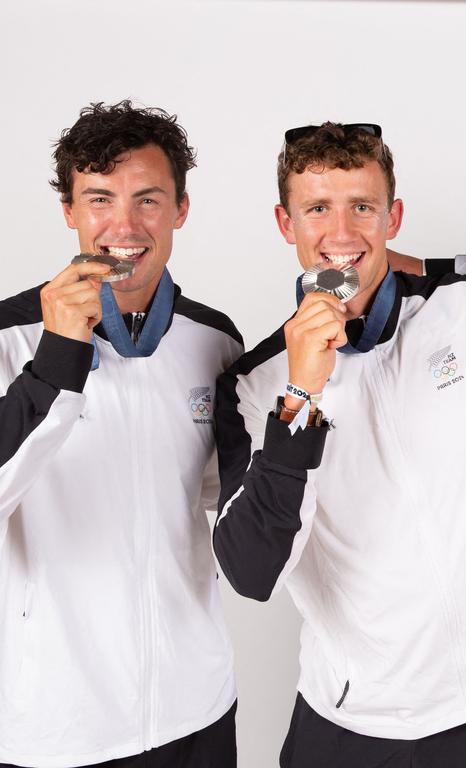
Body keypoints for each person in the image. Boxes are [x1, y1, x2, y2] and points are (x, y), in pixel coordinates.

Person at [212, 123, 466, 768]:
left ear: (392, 217)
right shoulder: (254, 387)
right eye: (318, 209)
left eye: (362, 207)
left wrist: (435, 269)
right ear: (287, 224)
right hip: (351, 721)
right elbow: (251, 572)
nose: (342, 235)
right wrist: (302, 393)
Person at [0, 102, 241, 767]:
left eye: (149, 200)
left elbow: (227, 502)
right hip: (60, 722)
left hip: (197, 705)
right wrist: (54, 362)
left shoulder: (215, 340)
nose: (124, 225)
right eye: (100, 198)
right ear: (70, 210)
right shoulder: (7, 338)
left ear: (180, 211)